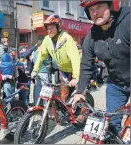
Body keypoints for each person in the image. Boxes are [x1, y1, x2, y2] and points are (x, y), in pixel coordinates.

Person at [72, 0, 130, 133]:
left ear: (111, 6)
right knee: (111, 126)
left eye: (99, 7)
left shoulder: (127, 22)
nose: (95, 12)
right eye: (91, 10)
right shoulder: (92, 35)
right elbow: (86, 63)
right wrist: (80, 91)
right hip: (116, 84)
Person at [31, 15, 81, 102]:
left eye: (52, 28)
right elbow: (41, 56)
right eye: (48, 28)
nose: (49, 30)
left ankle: (81, 113)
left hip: (74, 70)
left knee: (77, 95)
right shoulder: (47, 40)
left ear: (58, 27)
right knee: (62, 96)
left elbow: (75, 58)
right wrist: (35, 70)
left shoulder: (66, 38)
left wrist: (76, 77)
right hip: (62, 70)